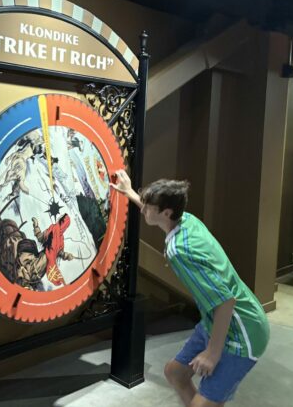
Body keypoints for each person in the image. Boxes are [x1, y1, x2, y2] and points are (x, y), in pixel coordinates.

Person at [110, 169, 269, 407]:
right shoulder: (186, 219)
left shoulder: (180, 251)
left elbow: (225, 302)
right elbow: (154, 212)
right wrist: (129, 192)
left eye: (148, 206)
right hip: (216, 321)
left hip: (241, 331)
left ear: (166, 212)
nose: (143, 209)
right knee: (175, 373)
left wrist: (212, 353)